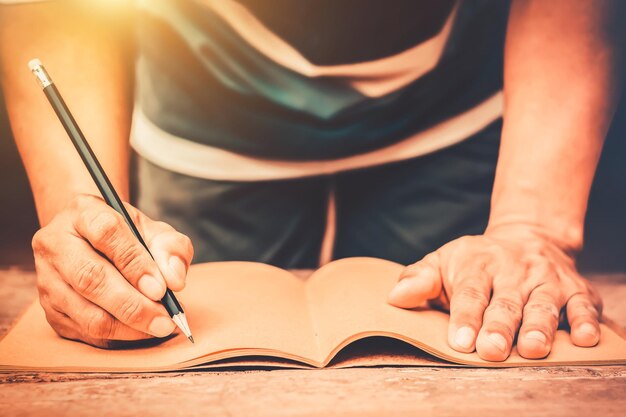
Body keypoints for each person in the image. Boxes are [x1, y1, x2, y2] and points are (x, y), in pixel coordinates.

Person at [0, 0, 622, 361]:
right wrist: (80, 211)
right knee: (136, 307)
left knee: (482, 331)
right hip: (203, 111)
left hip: (456, 103)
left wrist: (530, 223)